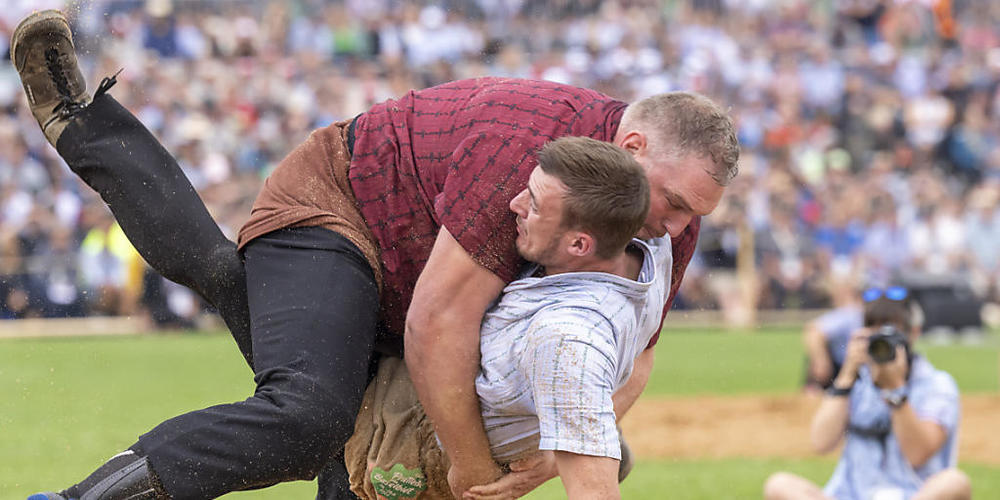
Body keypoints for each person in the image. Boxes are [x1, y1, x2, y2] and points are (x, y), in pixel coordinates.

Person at [13, 10, 739, 499]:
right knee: (307, 417)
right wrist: (476, 477)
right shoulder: (532, 151)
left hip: (407, 296)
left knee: (359, 478)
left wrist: (556, 454)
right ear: (634, 149)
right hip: (341, 214)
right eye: (674, 204)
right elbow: (436, 326)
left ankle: (85, 124)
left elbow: (636, 352)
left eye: (693, 216)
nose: (677, 229)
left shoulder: (662, 216)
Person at [344, 135, 667, 499]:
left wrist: (469, 464)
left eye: (536, 205)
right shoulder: (652, 252)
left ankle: (578, 427)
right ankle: (577, 424)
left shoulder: (565, 341)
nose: (515, 204)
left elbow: (595, 492)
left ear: (579, 245)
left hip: (424, 437)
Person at [764, 288, 971, 500]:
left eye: (890, 332)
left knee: (954, 483)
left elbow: (917, 454)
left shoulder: (936, 384)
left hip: (910, 494)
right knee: (779, 485)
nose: (880, 341)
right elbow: (820, 442)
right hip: (850, 494)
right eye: (873, 330)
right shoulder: (858, 381)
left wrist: (895, 390)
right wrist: (846, 377)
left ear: (914, 332)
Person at [803, 281, 863, 393]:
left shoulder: (852, 312)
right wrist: (821, 361)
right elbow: (814, 331)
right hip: (843, 367)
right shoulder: (850, 313)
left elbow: (814, 331)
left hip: (852, 367)